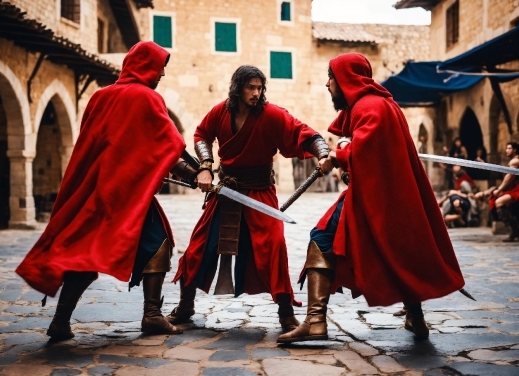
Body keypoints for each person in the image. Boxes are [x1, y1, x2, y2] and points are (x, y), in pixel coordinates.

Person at [278, 53, 464, 343]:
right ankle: (415, 315)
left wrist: (337, 158)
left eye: (331, 78)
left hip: (378, 199)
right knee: (398, 254)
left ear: (345, 79)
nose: (327, 85)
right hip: (384, 196)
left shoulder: (372, 106)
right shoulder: (374, 105)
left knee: (321, 239)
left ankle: (315, 322)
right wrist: (343, 154)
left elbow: (365, 149)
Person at [16, 41, 197, 341]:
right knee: (158, 242)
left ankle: (60, 321)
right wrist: (196, 175)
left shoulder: (100, 96)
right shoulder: (147, 98)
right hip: (127, 194)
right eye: (158, 71)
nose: (160, 77)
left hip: (94, 191)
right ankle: (152, 315)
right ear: (146, 67)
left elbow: (99, 147)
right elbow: (168, 146)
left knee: (84, 254)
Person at [168, 65, 330, 333]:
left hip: (260, 191)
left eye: (259, 88)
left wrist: (322, 154)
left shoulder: (271, 114)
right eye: (250, 87)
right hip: (226, 191)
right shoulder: (221, 112)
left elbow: (305, 133)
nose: (256, 93)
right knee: (199, 245)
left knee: (274, 245)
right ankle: (186, 306)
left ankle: (286, 314)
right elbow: (201, 135)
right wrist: (206, 166)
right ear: (238, 88)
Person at [475, 142, 519, 242]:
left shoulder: (515, 161)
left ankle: (515, 231)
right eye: (506, 148)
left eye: (509, 148)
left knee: (499, 202)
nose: (507, 150)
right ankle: (515, 230)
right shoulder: (513, 161)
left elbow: (510, 176)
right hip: (514, 188)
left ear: (515, 150)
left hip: (517, 189)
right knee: (495, 198)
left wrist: (500, 189)